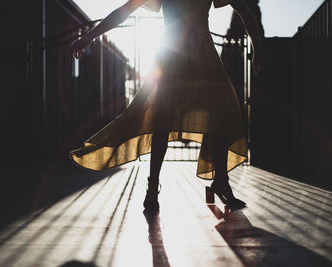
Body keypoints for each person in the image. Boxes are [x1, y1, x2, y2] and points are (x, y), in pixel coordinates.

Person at [70, 0, 263, 211]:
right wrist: (88, 37)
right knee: (161, 120)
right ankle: (153, 188)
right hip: (173, 56)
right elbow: (124, 11)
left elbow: (243, 8)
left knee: (219, 112)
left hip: (198, 57)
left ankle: (220, 182)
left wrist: (257, 47)